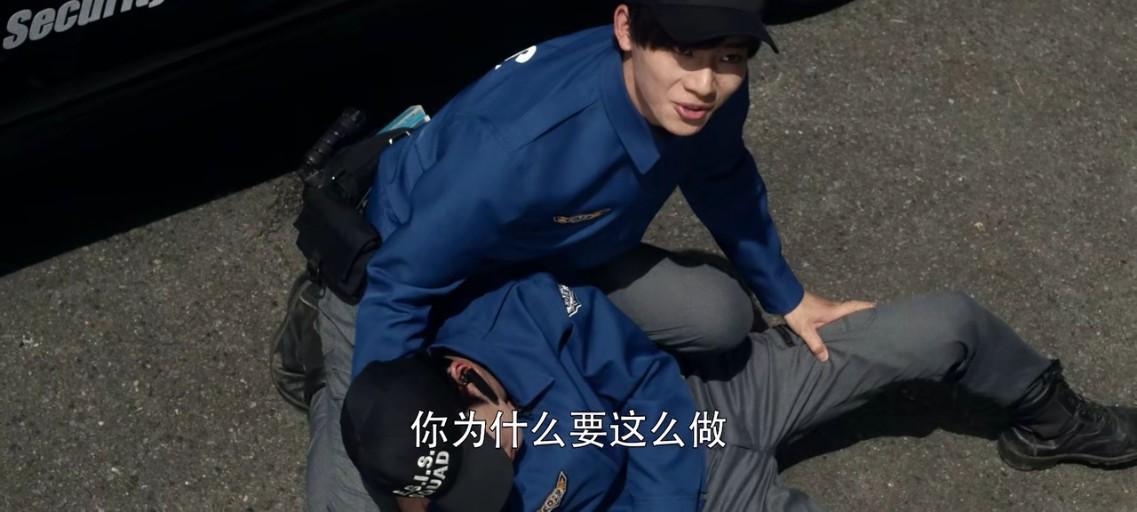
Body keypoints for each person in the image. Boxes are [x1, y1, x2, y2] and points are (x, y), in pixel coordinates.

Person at [290, 0, 876, 510]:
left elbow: (722, 177)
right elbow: (400, 289)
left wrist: (788, 296)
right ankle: (319, 356)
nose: (704, 83)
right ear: (626, 29)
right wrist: (396, 429)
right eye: (684, 49)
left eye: (728, 55)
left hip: (545, 255)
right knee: (379, 490)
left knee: (721, 315)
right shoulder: (511, 154)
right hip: (407, 267)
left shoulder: (712, 89)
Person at [341, 272, 1137, 512]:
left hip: (711, 402)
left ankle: (1049, 419)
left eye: (489, 443)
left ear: (465, 378)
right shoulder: (433, 485)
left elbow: (645, 383)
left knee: (946, 322)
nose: (503, 465)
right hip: (706, 497)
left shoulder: (523, 313)